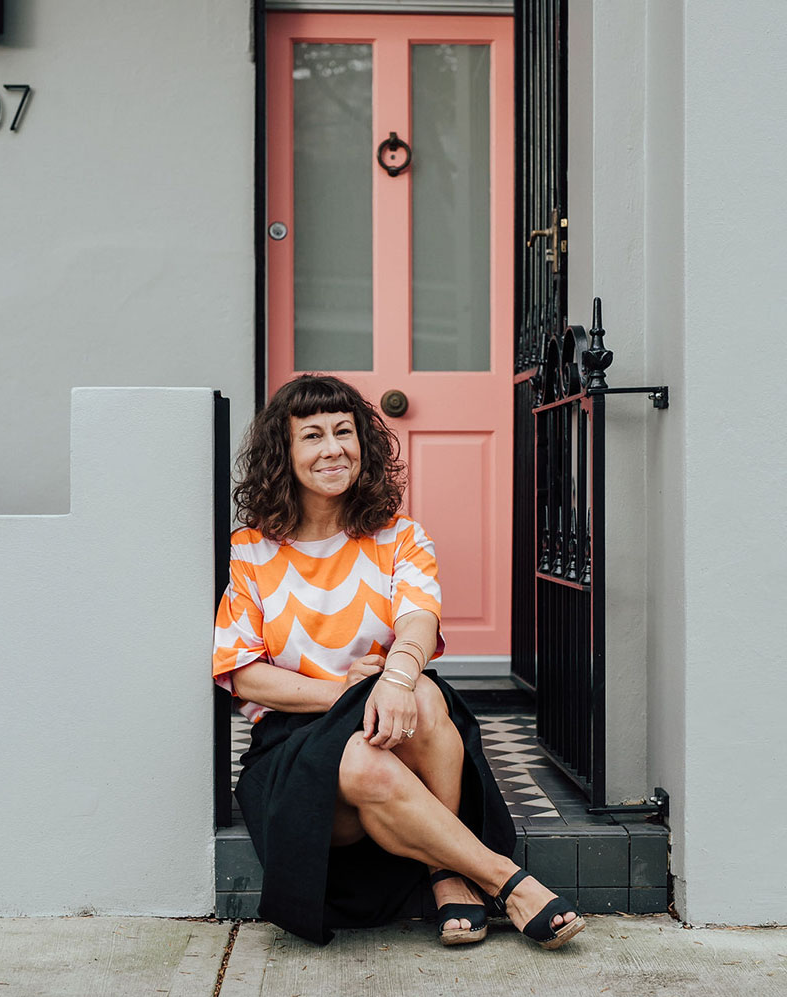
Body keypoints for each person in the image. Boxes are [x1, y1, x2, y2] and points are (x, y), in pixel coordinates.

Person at [213, 374, 584, 948]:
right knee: (360, 760)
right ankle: (501, 879)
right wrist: (349, 692)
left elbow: (420, 616)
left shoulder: (399, 536)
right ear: (282, 455)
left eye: (344, 432)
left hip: (398, 720)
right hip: (295, 743)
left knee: (423, 693)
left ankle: (446, 871)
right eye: (312, 436)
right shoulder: (250, 550)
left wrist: (394, 676)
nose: (333, 448)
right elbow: (243, 673)